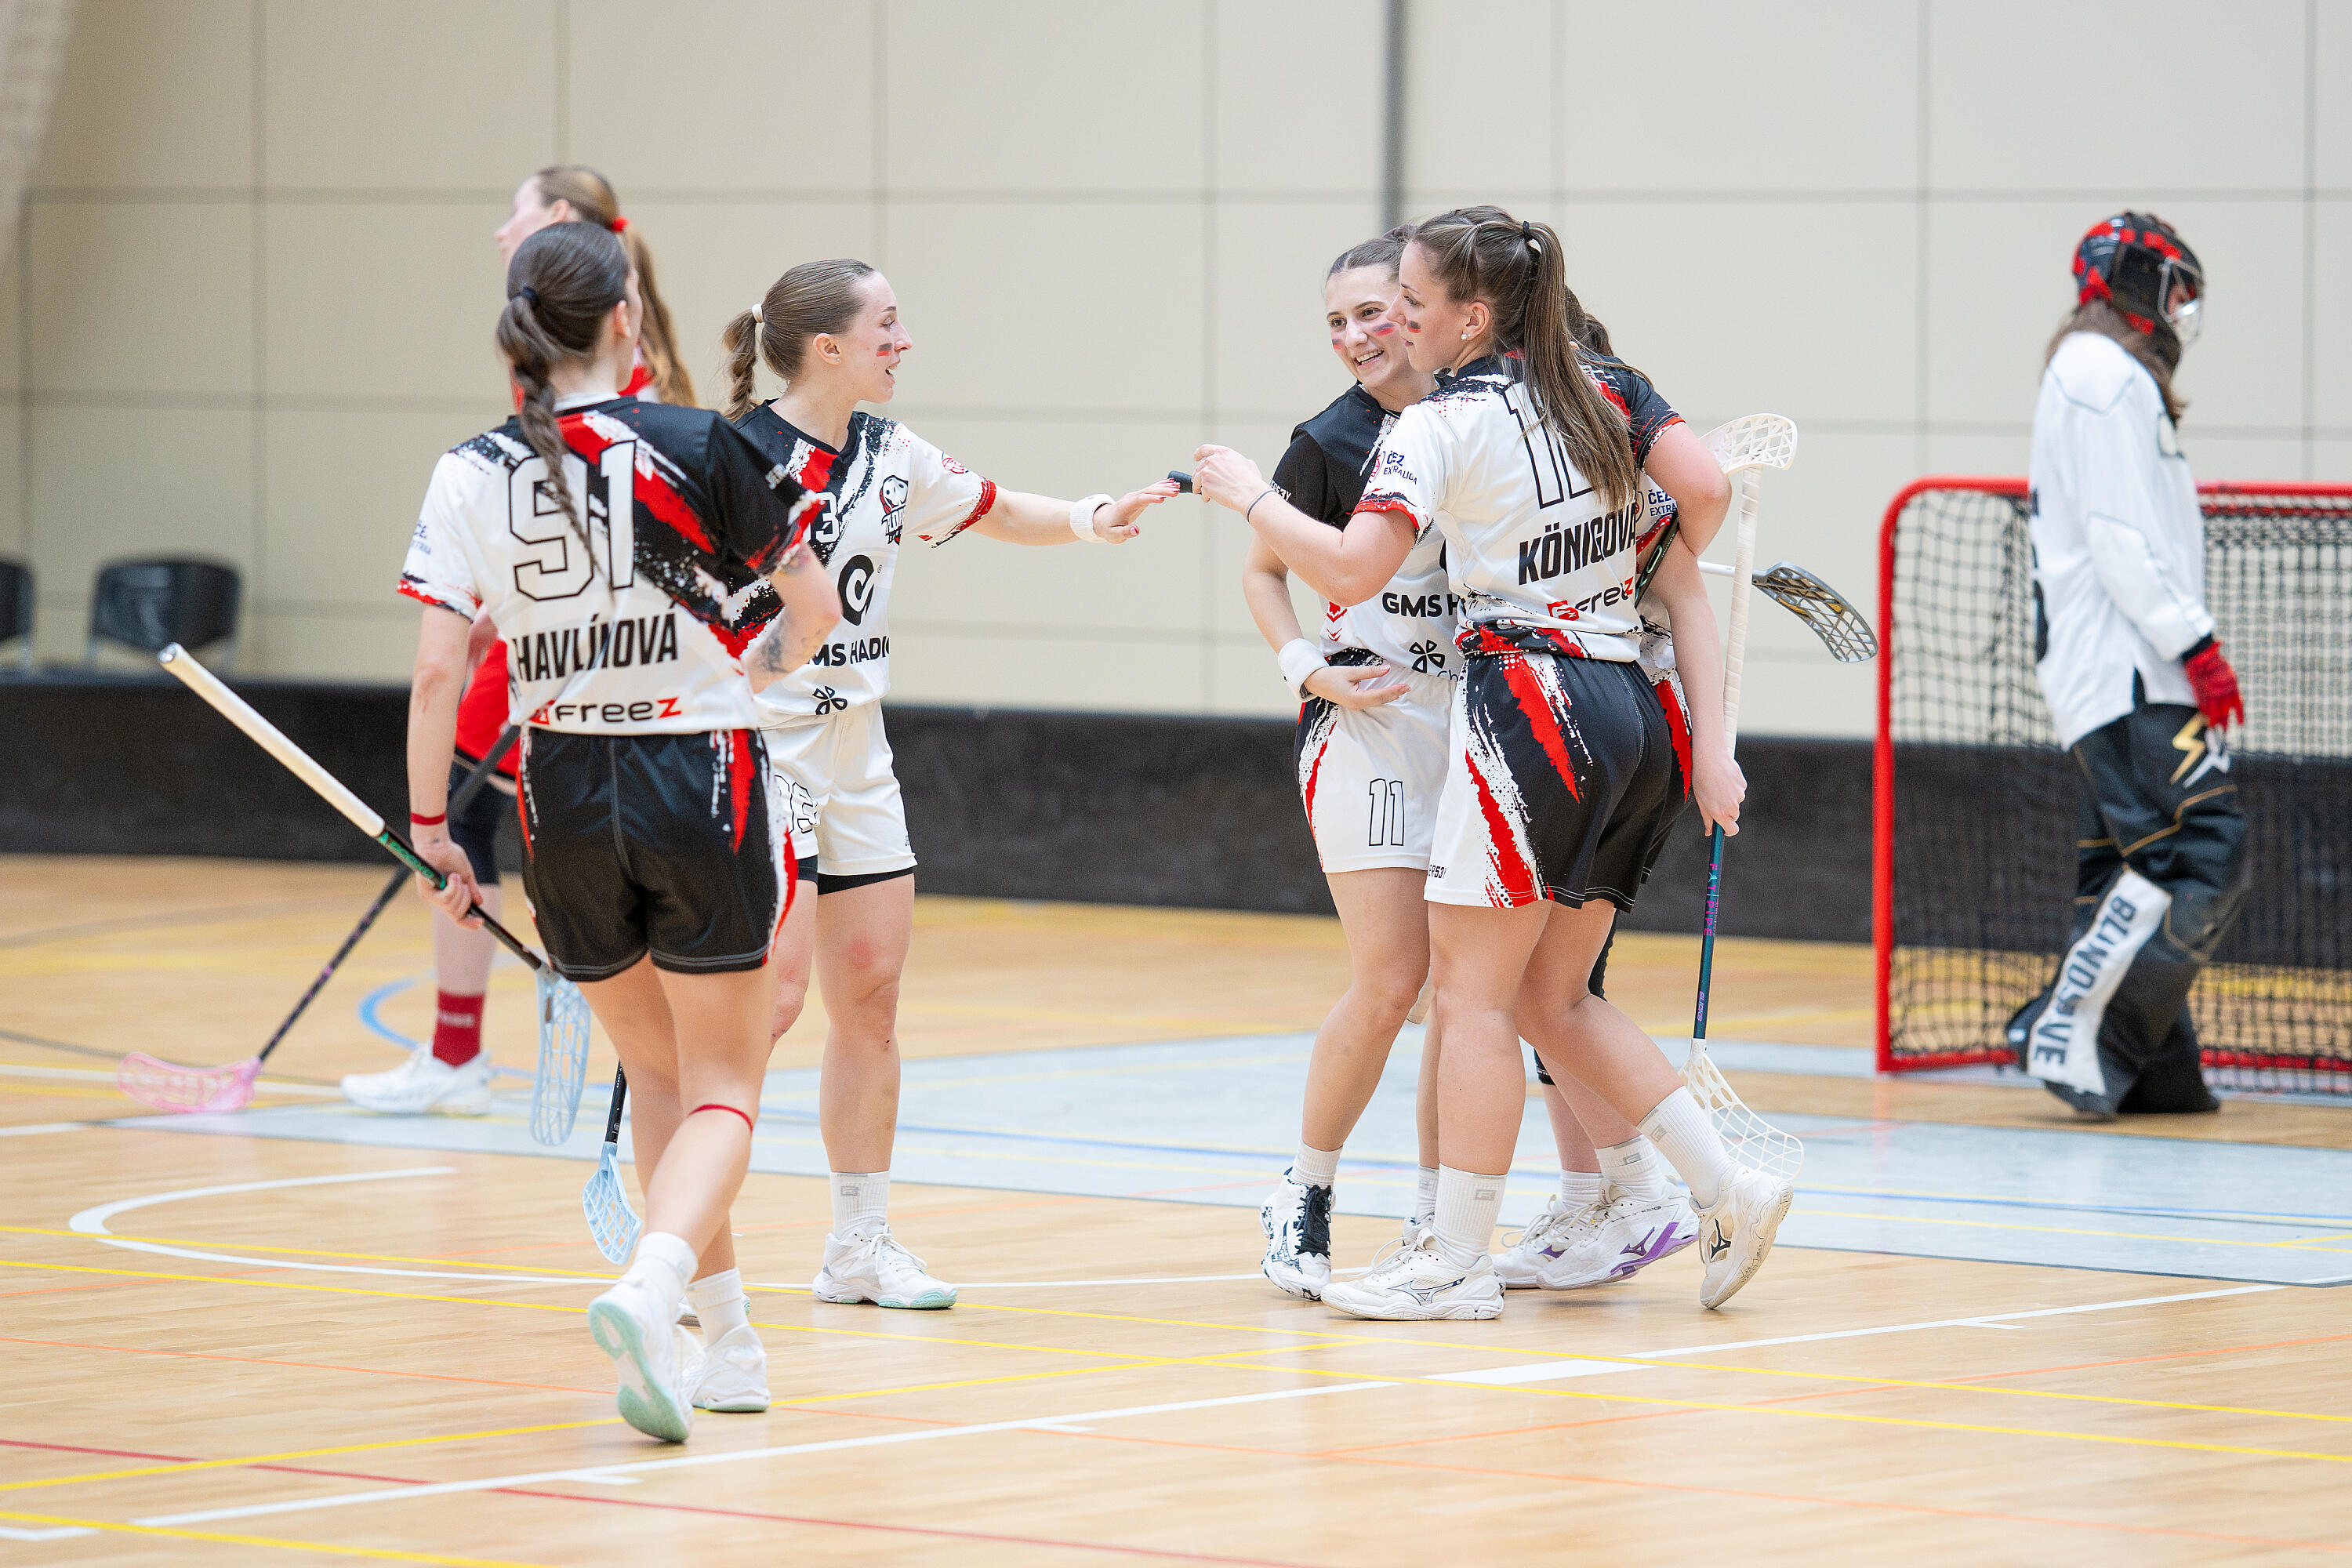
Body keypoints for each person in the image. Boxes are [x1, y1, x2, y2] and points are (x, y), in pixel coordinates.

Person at [1196, 205, 1786, 1319]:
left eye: (1409, 303)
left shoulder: (1439, 422)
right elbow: (1703, 494)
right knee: (1549, 995)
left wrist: (1248, 496)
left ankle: (1454, 1258)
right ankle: (1722, 1186)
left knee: (1471, 997)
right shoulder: (1600, 390)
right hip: (1633, 704)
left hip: (1530, 706)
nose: (1393, 324)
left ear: (1470, 315)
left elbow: (1353, 567)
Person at [399, 221, 840, 1441]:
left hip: (555, 792)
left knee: (658, 1074)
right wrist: (747, 669)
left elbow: (438, 673)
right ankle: (654, 1287)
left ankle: (726, 1340)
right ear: (627, 320)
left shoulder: (467, 471)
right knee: (726, 1087)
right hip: (698, 774)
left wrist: (434, 830)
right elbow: (810, 610)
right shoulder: (703, 444)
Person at [721, 259, 1177, 1312]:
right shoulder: (734, 457)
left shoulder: (891, 451)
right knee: (768, 1002)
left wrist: (1094, 516)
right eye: (886, 325)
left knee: (872, 996)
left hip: (858, 751)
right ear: (827, 347)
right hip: (760, 749)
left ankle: (858, 1245)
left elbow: (995, 508)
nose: (904, 341)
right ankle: (691, 1237)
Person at [344, 165, 692, 1116]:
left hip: (576, 653)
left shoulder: (602, 357)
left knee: (464, 820)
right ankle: (597, 1051)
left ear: (562, 223)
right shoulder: (607, 333)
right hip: (594, 650)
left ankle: (473, 1053)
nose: (503, 232)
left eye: (519, 214)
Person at [2006, 212, 2246, 1119]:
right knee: (2207, 848)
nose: (2181, 312)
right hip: (2127, 669)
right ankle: (2076, 1034)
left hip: (2122, 666)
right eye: (2176, 290)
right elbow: (2119, 534)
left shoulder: (2100, 372)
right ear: (2139, 281)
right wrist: (2197, 645)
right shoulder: (2101, 374)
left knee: (2127, 867)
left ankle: (2156, 1072)